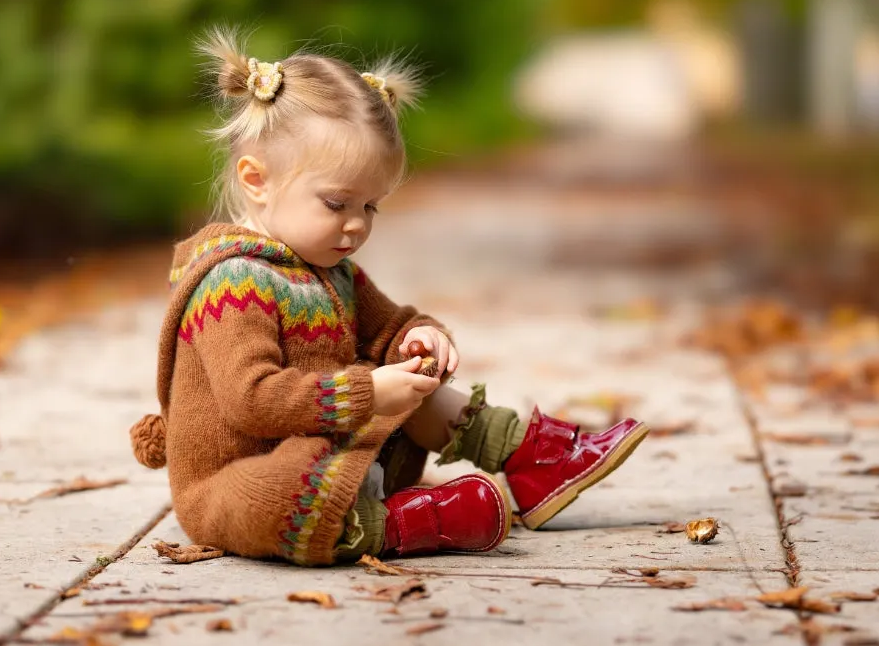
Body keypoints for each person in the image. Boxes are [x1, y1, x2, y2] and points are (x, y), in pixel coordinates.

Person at [130, 29, 648, 565]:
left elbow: (387, 328)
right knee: (272, 499)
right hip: (243, 476)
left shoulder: (332, 270)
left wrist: (417, 337)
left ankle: (527, 459)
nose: (355, 225)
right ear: (257, 180)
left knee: (412, 377)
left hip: (322, 451)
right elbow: (251, 400)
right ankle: (405, 521)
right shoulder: (231, 282)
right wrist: (365, 394)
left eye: (371, 207)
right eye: (337, 203)